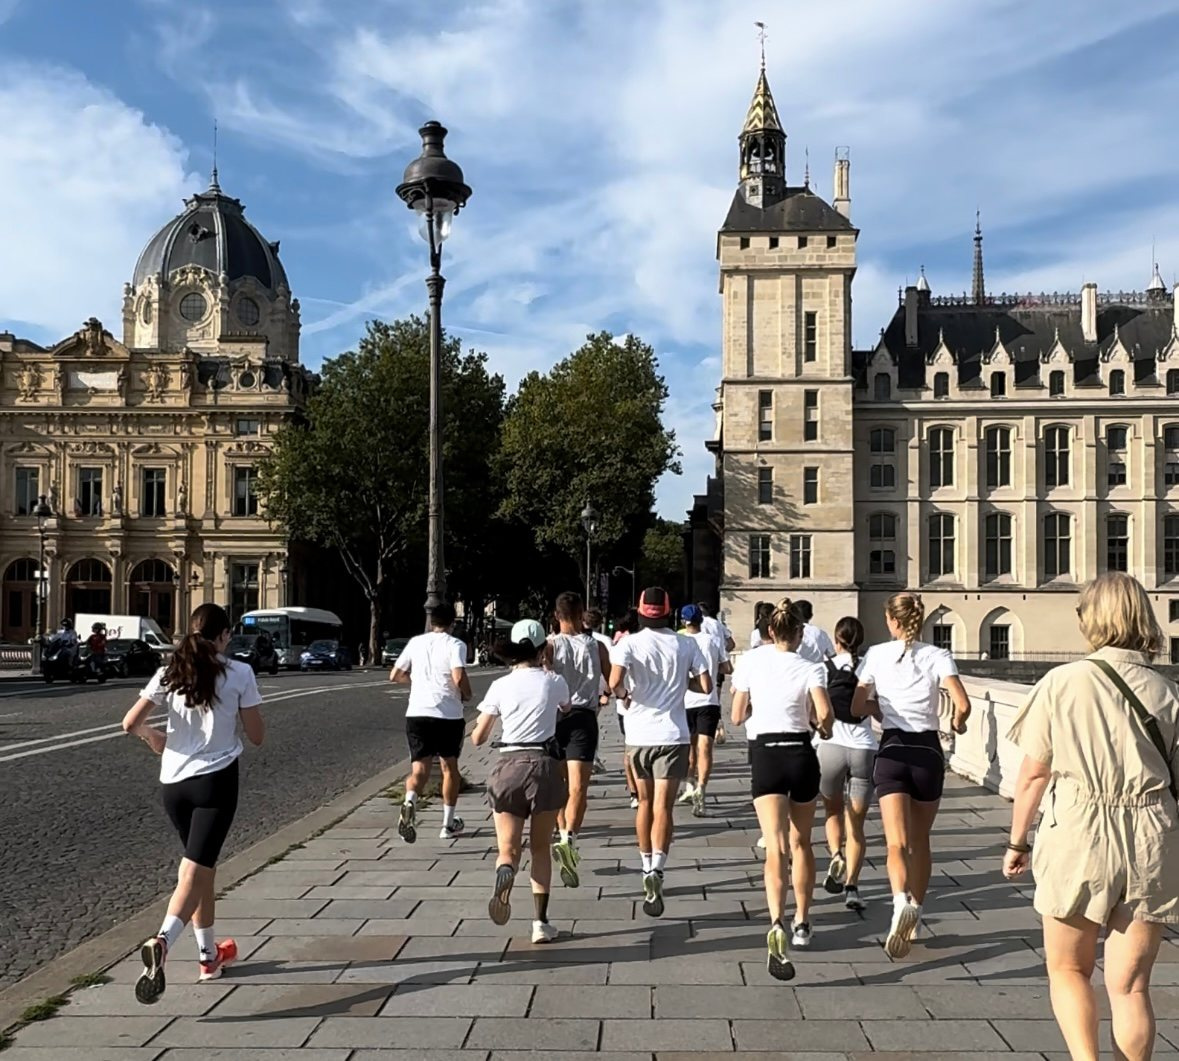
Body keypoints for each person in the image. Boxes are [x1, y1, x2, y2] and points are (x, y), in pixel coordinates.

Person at [1004, 573, 1179, 1061]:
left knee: (1069, 970)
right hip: (1152, 831)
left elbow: (1034, 775)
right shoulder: (1167, 692)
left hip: (1081, 828)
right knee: (1131, 987)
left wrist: (1017, 842)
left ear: (1091, 620)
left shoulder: (1062, 682)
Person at [121, 603, 264, 1004]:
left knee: (203, 868)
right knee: (193, 871)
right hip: (216, 782)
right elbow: (256, 736)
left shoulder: (172, 670)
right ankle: (163, 942)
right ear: (221, 636)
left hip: (174, 785)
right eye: (228, 634)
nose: (230, 640)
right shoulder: (239, 673)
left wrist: (155, 738)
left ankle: (208, 956)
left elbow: (129, 723)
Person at [850, 591, 970, 959]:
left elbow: (856, 706)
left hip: (892, 749)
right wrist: (957, 721)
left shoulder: (876, 655)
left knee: (895, 844)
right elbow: (962, 703)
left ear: (891, 621)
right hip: (927, 751)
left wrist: (879, 707)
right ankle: (914, 915)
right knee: (921, 841)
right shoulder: (938, 656)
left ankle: (899, 901)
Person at [731, 598, 833, 980]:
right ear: (800, 633)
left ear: (770, 631)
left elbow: (738, 714)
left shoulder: (751, 661)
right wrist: (821, 726)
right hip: (800, 753)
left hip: (766, 753)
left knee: (774, 845)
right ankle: (802, 922)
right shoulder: (811, 667)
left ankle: (775, 921)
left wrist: (761, 707)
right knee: (802, 842)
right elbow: (824, 714)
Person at [609, 587, 710, 919]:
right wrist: (683, 684)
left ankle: (643, 866)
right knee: (665, 807)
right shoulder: (687, 643)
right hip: (673, 734)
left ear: (640, 612)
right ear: (669, 612)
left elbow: (615, 683)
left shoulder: (629, 643)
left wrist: (626, 694)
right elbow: (706, 686)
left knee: (645, 803)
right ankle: (658, 869)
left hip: (639, 734)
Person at [471, 619, 570, 944]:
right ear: (543, 648)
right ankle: (540, 924)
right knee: (540, 848)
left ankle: (505, 872)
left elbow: (478, 738)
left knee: (508, 848)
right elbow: (566, 709)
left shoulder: (500, 686)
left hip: (507, 768)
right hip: (543, 767)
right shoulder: (554, 681)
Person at [390, 603, 473, 843]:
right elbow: (458, 676)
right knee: (450, 769)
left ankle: (409, 801)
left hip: (417, 711)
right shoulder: (455, 644)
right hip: (448, 714)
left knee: (419, 769)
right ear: (452, 623)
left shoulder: (416, 642)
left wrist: (417, 683)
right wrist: (466, 694)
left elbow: (395, 675)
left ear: (430, 621)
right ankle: (447, 825)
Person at [547, 592, 610, 888]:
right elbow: (613, 682)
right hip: (584, 718)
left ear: (557, 616)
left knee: (558, 787)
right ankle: (569, 838)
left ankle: (562, 835)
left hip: (554, 718)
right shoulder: (597, 646)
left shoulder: (548, 647)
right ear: (582, 613)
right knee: (578, 788)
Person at [816, 617, 876, 912]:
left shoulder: (824, 668)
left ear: (836, 640)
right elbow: (878, 710)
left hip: (831, 747)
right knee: (858, 825)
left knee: (831, 811)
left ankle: (835, 855)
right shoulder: (869, 668)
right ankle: (852, 887)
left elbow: (817, 711)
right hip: (863, 748)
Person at [678, 604, 731, 816]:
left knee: (689, 748)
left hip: (686, 700)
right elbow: (727, 667)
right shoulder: (713, 640)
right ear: (702, 621)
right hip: (709, 701)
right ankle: (701, 788)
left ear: (683, 622)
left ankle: (689, 785)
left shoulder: (680, 641)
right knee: (705, 748)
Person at [613, 609, 640, 809]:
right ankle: (639, 790)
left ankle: (634, 792)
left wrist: (622, 695)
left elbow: (614, 680)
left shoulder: (622, 642)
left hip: (626, 705)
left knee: (629, 749)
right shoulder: (636, 642)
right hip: (637, 703)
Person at [699, 604, 735, 745]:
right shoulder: (718, 625)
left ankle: (708, 730)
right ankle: (717, 728)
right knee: (715, 698)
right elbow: (731, 643)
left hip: (700, 666)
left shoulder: (698, 624)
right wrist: (721, 653)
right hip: (718, 665)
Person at [585, 608, 613, 776]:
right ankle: (593, 757)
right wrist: (608, 693)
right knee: (591, 723)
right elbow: (612, 664)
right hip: (599, 688)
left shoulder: (578, 638)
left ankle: (591, 757)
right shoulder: (605, 640)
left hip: (580, 689)